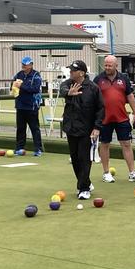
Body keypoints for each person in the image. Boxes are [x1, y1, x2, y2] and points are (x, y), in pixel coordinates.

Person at [93, 55, 135, 184]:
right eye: (105, 65)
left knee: (126, 144)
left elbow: (130, 97)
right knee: (105, 144)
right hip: (104, 118)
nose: (107, 67)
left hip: (121, 117)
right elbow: (92, 98)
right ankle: (106, 173)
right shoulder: (98, 79)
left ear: (116, 66)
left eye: (110, 65)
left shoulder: (124, 78)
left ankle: (132, 173)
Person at [59, 60, 105, 200]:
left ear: (82, 73)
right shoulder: (68, 83)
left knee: (84, 158)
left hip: (86, 129)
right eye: (70, 70)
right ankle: (86, 182)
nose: (71, 72)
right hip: (71, 127)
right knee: (75, 158)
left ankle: (83, 188)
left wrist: (97, 127)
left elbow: (101, 109)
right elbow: (62, 90)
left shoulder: (93, 88)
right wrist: (69, 93)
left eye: (73, 70)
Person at [12, 56, 43, 156]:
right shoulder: (19, 74)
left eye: (26, 65)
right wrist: (13, 87)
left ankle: (38, 149)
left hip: (31, 106)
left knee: (34, 128)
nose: (23, 66)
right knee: (20, 128)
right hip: (20, 105)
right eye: (23, 64)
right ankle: (19, 148)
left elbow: (35, 89)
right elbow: (13, 84)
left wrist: (22, 86)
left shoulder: (36, 75)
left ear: (31, 65)